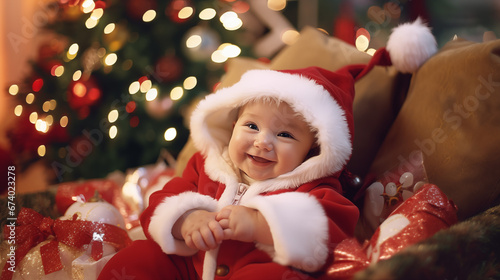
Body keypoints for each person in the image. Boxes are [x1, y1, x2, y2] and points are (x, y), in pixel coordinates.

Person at [98, 18, 436, 280]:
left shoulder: (316, 188)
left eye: (285, 135)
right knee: (138, 258)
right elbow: (165, 197)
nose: (262, 141)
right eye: (251, 126)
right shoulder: (209, 164)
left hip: (256, 268)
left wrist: (259, 224)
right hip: (187, 266)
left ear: (311, 152)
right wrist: (187, 218)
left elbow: (332, 233)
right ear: (232, 128)